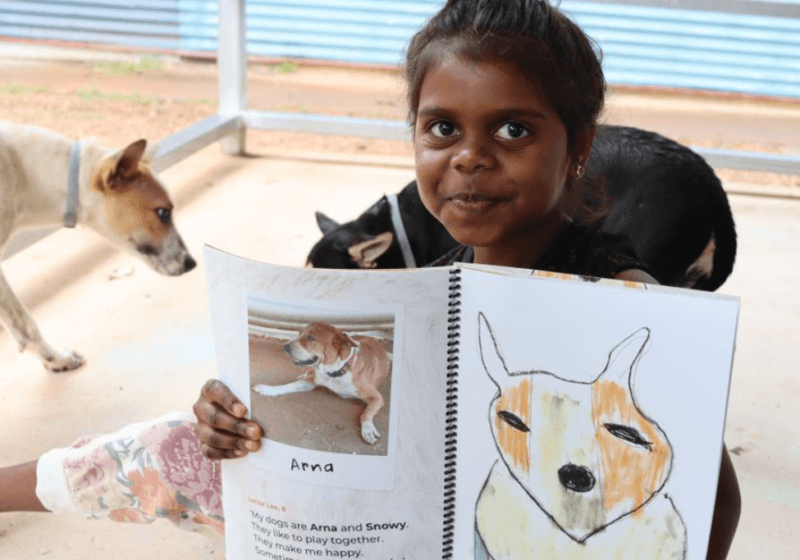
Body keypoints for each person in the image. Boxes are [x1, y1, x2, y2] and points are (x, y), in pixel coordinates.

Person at [0, 0, 740, 557]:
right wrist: (232, 420)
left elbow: (713, 499)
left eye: (513, 129)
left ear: (578, 147)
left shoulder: (623, 298)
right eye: (442, 128)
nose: (470, 157)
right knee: (172, 445)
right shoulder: (432, 289)